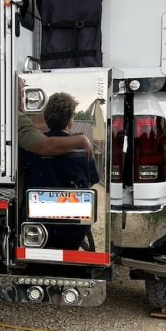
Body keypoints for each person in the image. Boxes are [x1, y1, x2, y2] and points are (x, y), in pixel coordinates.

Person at [22, 92, 100, 249]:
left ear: (46, 118)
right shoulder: (83, 151)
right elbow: (93, 180)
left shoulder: (32, 146)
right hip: (72, 229)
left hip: (37, 227)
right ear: (71, 119)